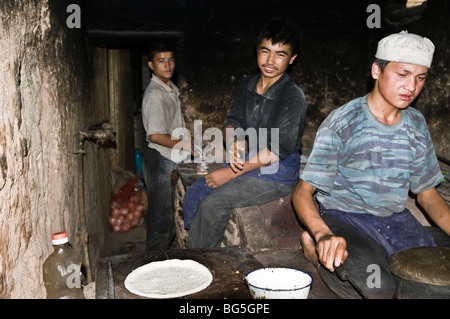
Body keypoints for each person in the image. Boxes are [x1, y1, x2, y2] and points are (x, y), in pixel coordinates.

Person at [292, 31, 450, 299]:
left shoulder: (416, 124)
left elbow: (426, 193)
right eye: (402, 74)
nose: (411, 87)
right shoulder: (343, 121)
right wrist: (322, 235)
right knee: (379, 289)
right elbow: (302, 193)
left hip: (395, 221)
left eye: (420, 77)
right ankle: (315, 252)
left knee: (431, 286)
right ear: (377, 70)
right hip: (346, 219)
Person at [184, 17, 308, 248]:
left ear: (292, 59)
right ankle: (198, 247)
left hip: (278, 172)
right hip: (254, 161)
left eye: (280, 54)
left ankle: (202, 263)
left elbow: (277, 150)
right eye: (265, 51)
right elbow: (233, 120)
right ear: (257, 52)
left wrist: (231, 173)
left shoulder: (292, 96)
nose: (270, 61)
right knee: (197, 190)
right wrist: (233, 143)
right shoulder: (248, 84)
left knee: (213, 204)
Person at [141, 43, 192, 250]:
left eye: (170, 60)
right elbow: (155, 135)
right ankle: (151, 266)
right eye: (161, 61)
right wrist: (186, 144)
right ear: (151, 65)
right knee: (160, 223)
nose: (167, 65)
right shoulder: (156, 94)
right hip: (160, 160)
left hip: (169, 159)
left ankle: (161, 263)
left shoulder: (169, 89)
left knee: (169, 221)